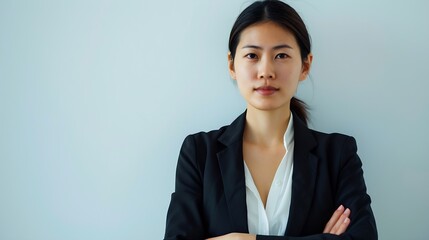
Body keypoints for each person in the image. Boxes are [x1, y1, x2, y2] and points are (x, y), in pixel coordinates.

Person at [164, 0, 377, 239]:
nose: (266, 71)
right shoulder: (199, 154)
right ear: (232, 64)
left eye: (281, 55)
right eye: (252, 55)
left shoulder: (338, 155)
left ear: (305, 66)